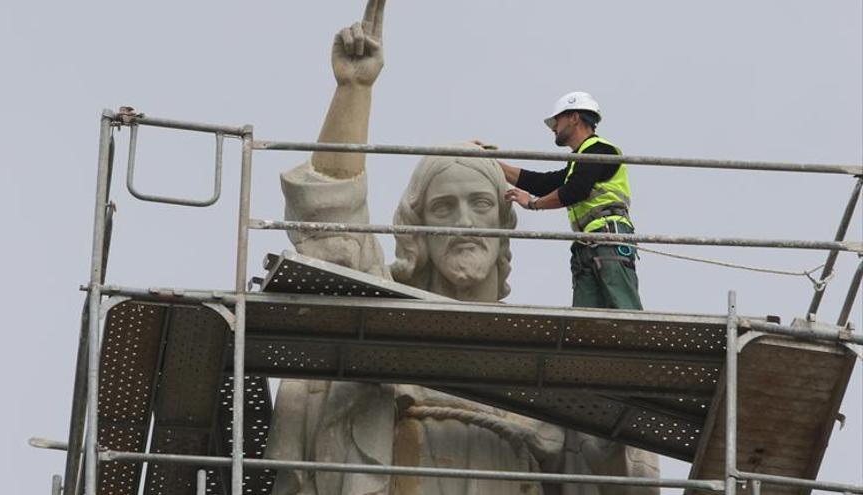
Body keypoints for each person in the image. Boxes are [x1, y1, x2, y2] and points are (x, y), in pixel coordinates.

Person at [265, 1, 659, 492]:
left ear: (502, 225)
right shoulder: (382, 321)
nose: (467, 224)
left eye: (480, 204)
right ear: (418, 227)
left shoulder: (543, 366)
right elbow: (327, 214)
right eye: (444, 208)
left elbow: (602, 459)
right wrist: (354, 91)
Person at [499, 92, 642, 311]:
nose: (553, 127)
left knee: (624, 310)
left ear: (574, 117)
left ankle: (635, 344)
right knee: (585, 323)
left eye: (557, 120)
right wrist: (493, 165)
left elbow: (574, 191)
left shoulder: (600, 150)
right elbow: (543, 183)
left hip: (609, 239)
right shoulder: (579, 160)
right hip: (588, 245)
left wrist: (532, 204)